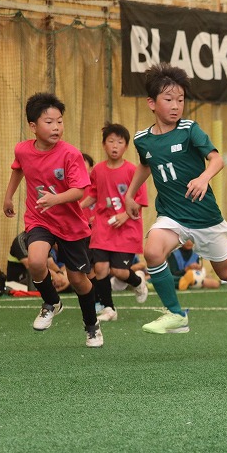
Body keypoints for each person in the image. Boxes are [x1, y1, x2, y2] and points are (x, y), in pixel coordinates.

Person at [124, 62, 227, 339]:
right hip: (171, 215)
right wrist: (130, 194)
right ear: (151, 103)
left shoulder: (190, 129)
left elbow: (217, 159)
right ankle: (176, 314)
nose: (176, 106)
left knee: (226, 272)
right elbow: (146, 165)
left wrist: (204, 178)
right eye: (169, 100)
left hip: (204, 217)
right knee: (152, 252)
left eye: (180, 100)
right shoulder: (142, 139)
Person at [2, 92, 103, 347]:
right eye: (49, 122)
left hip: (71, 226)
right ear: (33, 126)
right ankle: (51, 302)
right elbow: (18, 169)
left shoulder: (70, 154)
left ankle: (92, 326)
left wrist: (55, 199)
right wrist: (8, 197)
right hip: (40, 219)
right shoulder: (22, 150)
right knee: (36, 261)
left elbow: (79, 191)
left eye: (59, 121)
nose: (56, 127)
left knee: (78, 280)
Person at [79, 122, 149, 323]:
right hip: (103, 227)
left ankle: (138, 281)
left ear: (126, 146)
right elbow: (93, 194)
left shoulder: (133, 171)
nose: (115, 145)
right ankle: (109, 308)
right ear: (104, 145)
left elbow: (141, 200)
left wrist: (125, 215)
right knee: (100, 268)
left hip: (127, 228)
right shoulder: (98, 170)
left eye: (120, 142)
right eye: (111, 141)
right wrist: (78, 207)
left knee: (119, 272)